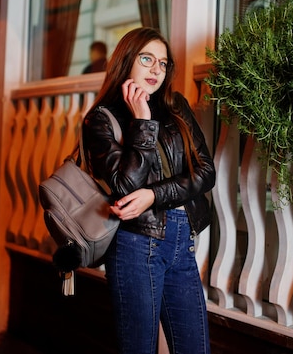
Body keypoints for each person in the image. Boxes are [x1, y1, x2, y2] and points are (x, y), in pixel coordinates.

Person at [82, 27, 216, 354]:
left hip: (182, 242)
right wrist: (141, 120)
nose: (157, 69)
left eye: (163, 63)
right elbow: (124, 184)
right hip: (136, 245)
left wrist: (154, 195)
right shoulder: (101, 119)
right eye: (147, 59)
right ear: (127, 61)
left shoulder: (176, 106)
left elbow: (206, 172)